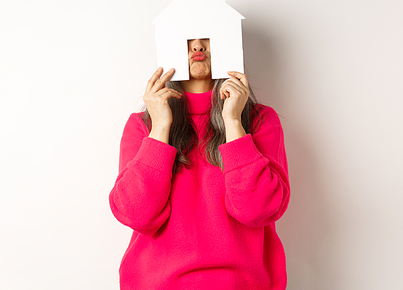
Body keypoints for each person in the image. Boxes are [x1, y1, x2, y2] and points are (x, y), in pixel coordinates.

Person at [109, 38, 290, 289]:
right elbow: (136, 214)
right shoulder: (143, 125)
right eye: (187, 37)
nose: (197, 46)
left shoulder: (259, 120)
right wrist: (161, 127)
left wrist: (233, 122)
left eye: (206, 36)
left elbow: (259, 210)